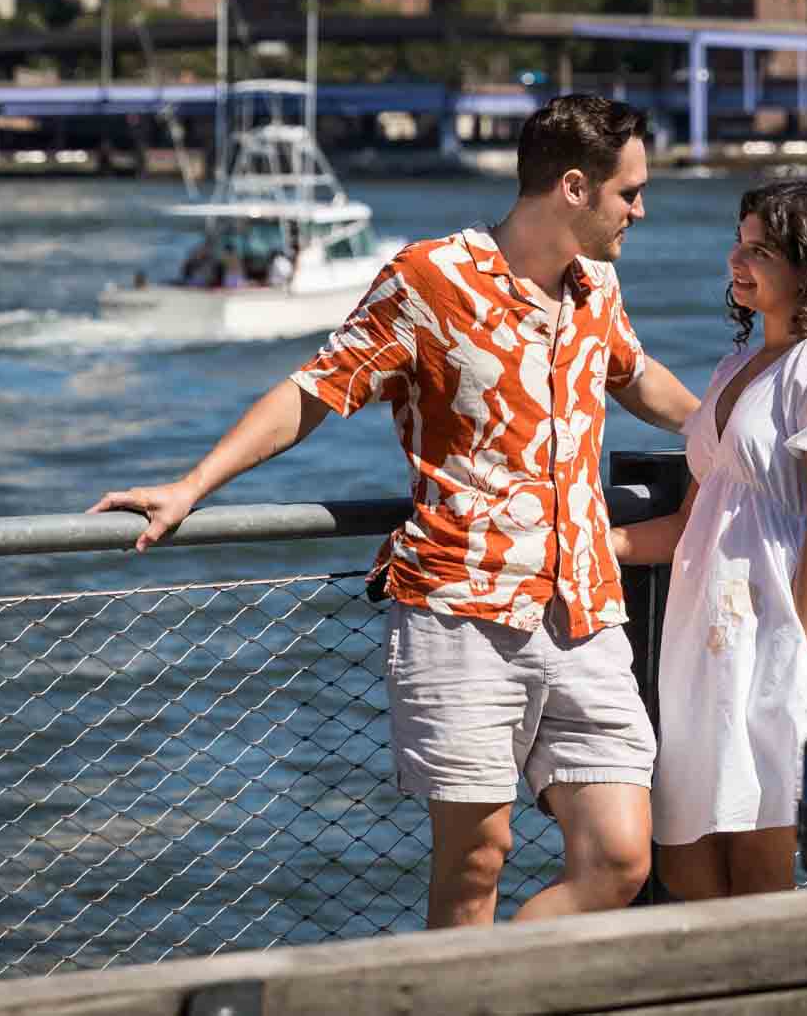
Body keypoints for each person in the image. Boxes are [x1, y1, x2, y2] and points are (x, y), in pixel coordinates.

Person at [89, 94, 699, 928]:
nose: (640, 208)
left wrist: (724, 434)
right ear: (572, 188)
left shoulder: (598, 289)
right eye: (628, 192)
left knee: (622, 858)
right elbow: (315, 390)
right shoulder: (428, 278)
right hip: (460, 609)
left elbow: (636, 375)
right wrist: (192, 485)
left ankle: (501, 992)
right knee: (476, 862)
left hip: (586, 611)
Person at [611, 180, 807, 900]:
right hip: (712, 634)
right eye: (739, 242)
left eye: (761, 249)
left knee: (764, 848)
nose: (738, 260)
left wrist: (792, 650)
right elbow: (689, 525)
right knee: (688, 853)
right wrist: (588, 542)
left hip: (784, 628)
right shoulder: (733, 369)